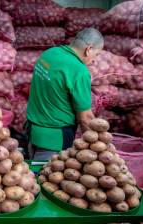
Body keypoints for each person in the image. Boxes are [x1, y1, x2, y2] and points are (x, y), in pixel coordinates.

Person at [25, 28, 104, 160]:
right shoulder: (79, 71)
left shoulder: (49, 54)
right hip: (54, 142)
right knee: (47, 179)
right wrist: (98, 148)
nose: (95, 60)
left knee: (33, 176)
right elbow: (85, 118)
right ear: (89, 49)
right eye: (97, 54)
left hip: (32, 133)